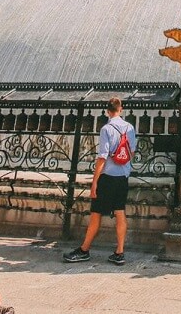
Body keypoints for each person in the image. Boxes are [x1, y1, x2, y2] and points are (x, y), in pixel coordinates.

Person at [63, 97, 137, 266]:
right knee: (120, 212)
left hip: (107, 177)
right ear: (121, 109)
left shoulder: (106, 129)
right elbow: (131, 153)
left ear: (107, 111)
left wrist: (94, 181)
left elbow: (102, 157)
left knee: (96, 214)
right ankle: (119, 252)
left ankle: (84, 250)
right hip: (122, 178)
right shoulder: (130, 128)